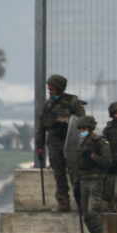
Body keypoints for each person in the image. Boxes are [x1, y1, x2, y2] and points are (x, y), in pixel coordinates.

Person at [36, 74, 85, 212]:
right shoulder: (48, 104)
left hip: (70, 141)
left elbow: (83, 121)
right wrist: (39, 147)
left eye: (51, 86)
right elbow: (41, 127)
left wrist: (67, 120)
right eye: (48, 87)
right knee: (59, 173)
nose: (49, 89)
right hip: (54, 142)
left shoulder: (73, 102)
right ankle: (63, 203)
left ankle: (81, 202)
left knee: (75, 172)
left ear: (59, 87)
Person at [72, 115, 111, 233]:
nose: (83, 130)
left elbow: (107, 161)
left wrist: (93, 156)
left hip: (95, 179)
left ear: (90, 128)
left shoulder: (99, 141)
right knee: (85, 214)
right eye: (81, 128)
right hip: (83, 179)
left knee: (93, 211)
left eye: (85, 128)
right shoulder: (80, 141)